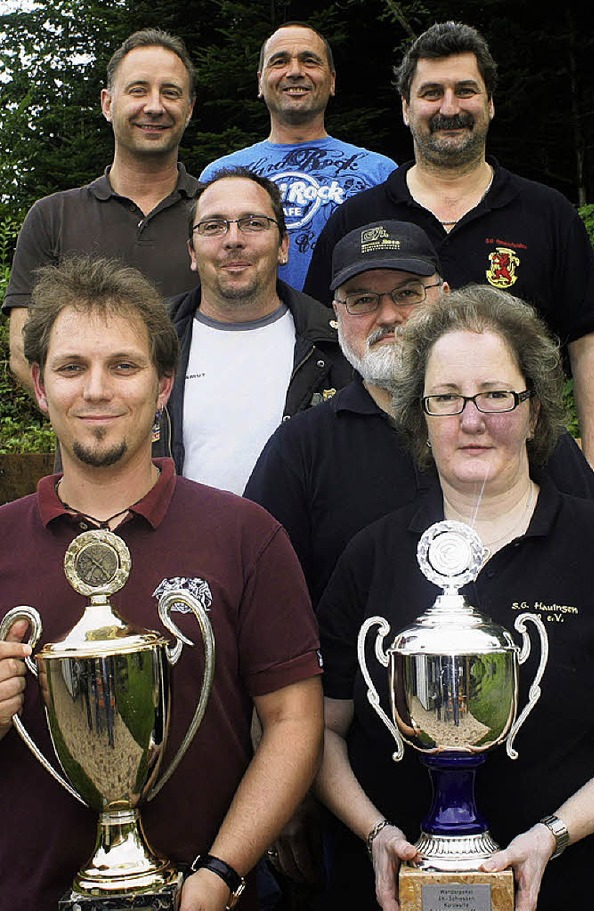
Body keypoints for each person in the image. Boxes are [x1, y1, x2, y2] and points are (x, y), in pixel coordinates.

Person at [0, 255, 323, 911]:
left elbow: (294, 721)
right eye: (71, 367)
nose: (96, 389)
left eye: (123, 365)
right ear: (39, 386)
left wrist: (222, 874)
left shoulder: (245, 533)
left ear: (164, 384)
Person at [313, 285, 594, 911]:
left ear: (536, 410)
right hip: (389, 892)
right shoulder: (371, 554)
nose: (471, 419)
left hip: (556, 894)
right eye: (446, 398)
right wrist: (375, 833)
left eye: (496, 395)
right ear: (419, 415)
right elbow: (320, 731)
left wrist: (555, 835)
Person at [303, 21, 594, 484]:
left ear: (490, 105)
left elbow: (591, 345)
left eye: (465, 90)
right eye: (432, 92)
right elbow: (322, 339)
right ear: (406, 108)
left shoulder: (547, 214)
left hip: (524, 472)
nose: (449, 107)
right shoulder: (357, 220)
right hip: (380, 474)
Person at [245, 221, 594, 609]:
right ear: (336, 313)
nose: (388, 316)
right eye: (362, 299)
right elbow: (264, 604)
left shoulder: (514, 425)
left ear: (445, 296)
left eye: (407, 294)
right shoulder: (301, 448)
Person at [3, 28, 201, 391]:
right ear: (108, 104)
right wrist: (91, 420)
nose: (155, 106)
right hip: (90, 436)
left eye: (170, 92)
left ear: (188, 109)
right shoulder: (51, 217)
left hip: (204, 442)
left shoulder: (218, 217)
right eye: (138, 90)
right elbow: (23, 351)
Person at [154, 166, 351, 495]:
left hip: (298, 544)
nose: (233, 240)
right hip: (179, 542)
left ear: (283, 247)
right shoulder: (150, 341)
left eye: (253, 224)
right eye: (213, 226)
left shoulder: (335, 344)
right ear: (192, 252)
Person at [199, 22, 397, 290]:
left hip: (348, 324)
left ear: (332, 81)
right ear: (260, 81)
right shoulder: (221, 175)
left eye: (310, 61)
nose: (294, 72)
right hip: (249, 326)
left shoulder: (379, 172)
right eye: (279, 62)